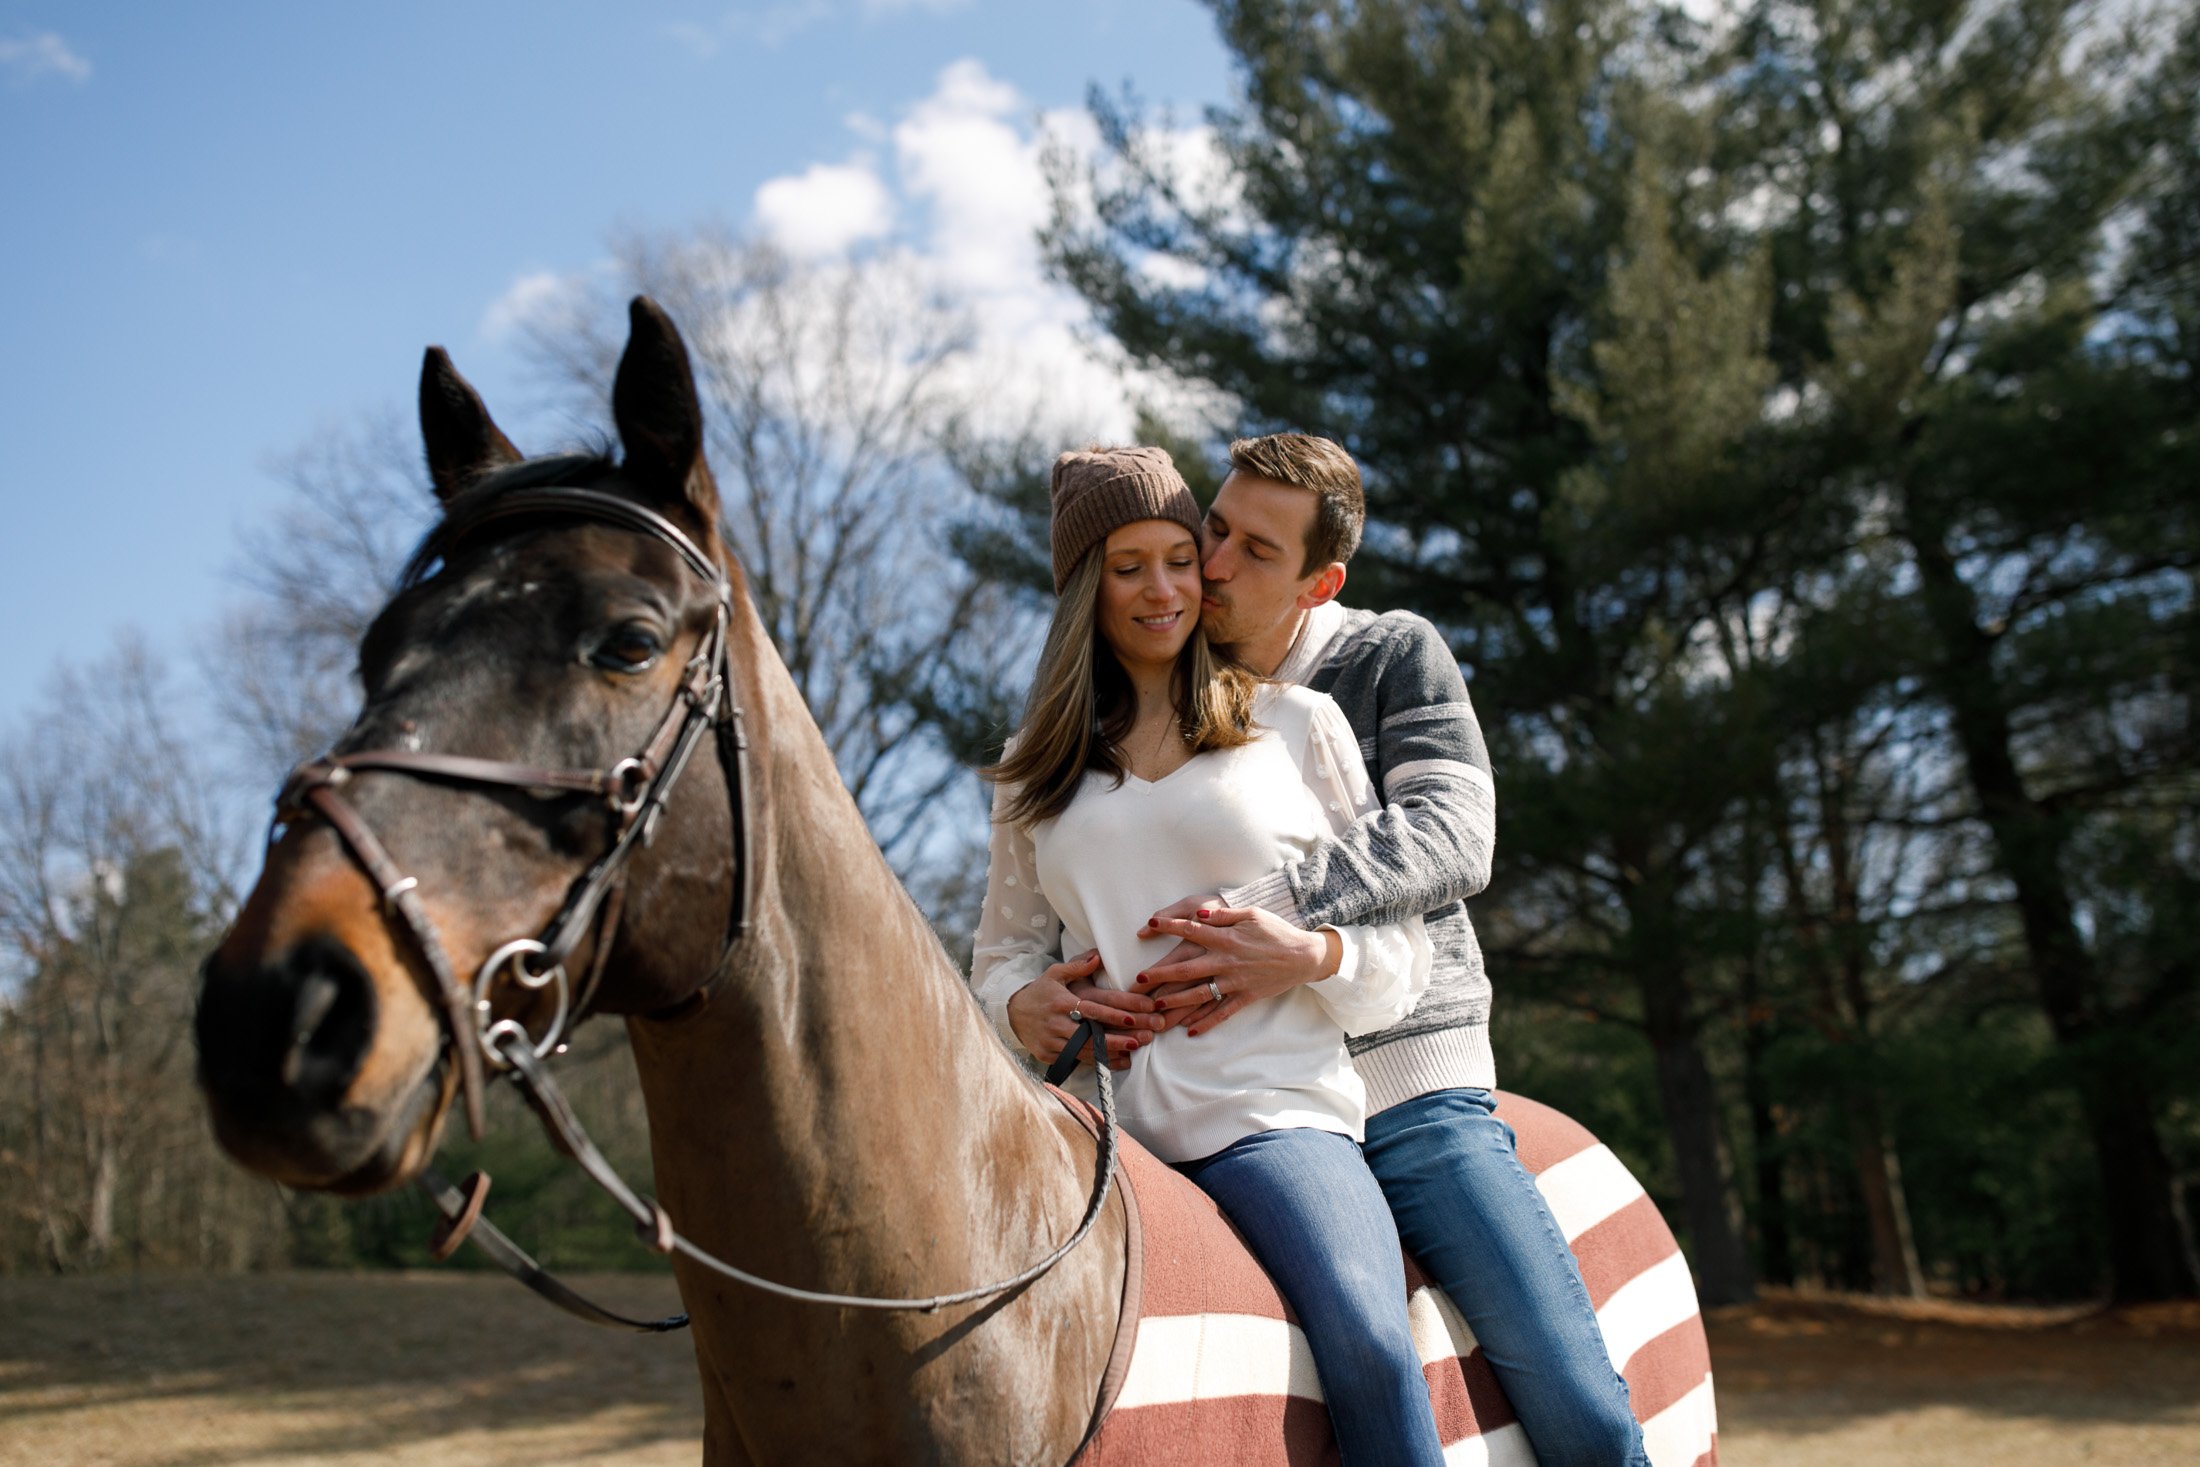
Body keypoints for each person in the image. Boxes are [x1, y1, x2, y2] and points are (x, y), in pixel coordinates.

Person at [1107, 432, 1651, 1466]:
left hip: (1407, 1090)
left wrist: (1262, 917)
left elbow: (1454, 834)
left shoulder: (1387, 653)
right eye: (1213, 528)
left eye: (1256, 553)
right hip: (1237, 1097)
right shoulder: (1156, 680)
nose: (1211, 564)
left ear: (1322, 582)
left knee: (1576, 1405)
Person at [970, 445, 1447, 1466]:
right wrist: (1025, 1010)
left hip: (1271, 1118)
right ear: (1082, 590)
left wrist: (1307, 956)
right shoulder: (1032, 776)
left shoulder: (1294, 725)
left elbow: (1403, 958)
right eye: (1128, 564)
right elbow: (1001, 956)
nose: (1164, 588)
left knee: (1369, 1339)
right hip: (1100, 1135)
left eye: (1181, 558)